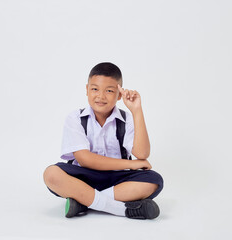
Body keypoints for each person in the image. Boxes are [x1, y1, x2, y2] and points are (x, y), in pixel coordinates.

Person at [43, 62, 163, 219]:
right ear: (86, 90)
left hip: (117, 179)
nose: (100, 96)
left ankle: (82, 200)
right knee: (51, 174)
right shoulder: (75, 118)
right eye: (94, 89)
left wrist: (137, 110)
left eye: (109, 91)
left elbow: (142, 153)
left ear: (119, 95)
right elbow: (85, 160)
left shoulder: (127, 120)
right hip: (83, 177)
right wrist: (131, 164)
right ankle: (121, 209)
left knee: (154, 181)